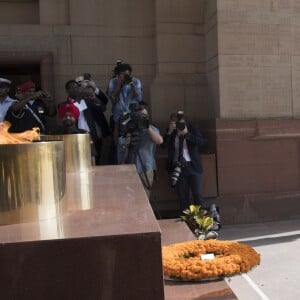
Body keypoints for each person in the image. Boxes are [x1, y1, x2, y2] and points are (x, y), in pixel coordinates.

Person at [58, 80, 109, 165]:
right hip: (76, 137)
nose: (75, 89)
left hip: (92, 136)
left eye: (76, 87)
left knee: (95, 160)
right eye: (72, 87)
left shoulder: (88, 101)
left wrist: (94, 98)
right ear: (67, 91)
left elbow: (102, 108)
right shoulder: (63, 105)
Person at [163, 111, 205, 213]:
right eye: (174, 121)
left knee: (198, 194)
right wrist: (169, 132)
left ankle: (200, 221)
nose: (177, 123)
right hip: (178, 167)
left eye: (179, 121)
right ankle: (185, 222)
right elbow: (163, 146)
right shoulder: (171, 132)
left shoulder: (191, 127)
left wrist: (187, 134)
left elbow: (200, 141)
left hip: (193, 166)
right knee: (183, 197)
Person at [126, 101, 163, 198]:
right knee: (131, 197)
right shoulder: (131, 129)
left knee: (145, 197)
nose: (142, 117)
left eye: (145, 116)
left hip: (146, 168)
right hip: (131, 168)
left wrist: (147, 127)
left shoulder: (152, 129)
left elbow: (159, 140)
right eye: (140, 115)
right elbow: (123, 148)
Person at [107, 63, 143, 164]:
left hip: (133, 115)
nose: (125, 77)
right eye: (122, 74)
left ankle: (133, 163)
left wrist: (132, 86)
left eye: (127, 74)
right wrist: (118, 86)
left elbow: (139, 98)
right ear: (118, 75)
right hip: (119, 117)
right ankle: (120, 162)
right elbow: (113, 99)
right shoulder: (113, 82)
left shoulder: (136, 81)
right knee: (120, 141)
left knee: (134, 139)